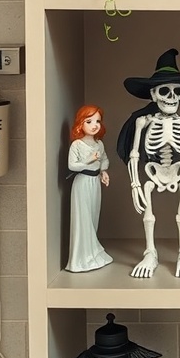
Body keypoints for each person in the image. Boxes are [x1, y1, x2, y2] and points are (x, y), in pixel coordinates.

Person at [65, 105, 113, 273]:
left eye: (98, 121)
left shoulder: (99, 144)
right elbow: (72, 165)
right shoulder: (77, 145)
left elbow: (104, 160)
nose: (94, 125)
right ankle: (81, 258)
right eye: (89, 121)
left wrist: (103, 171)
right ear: (81, 123)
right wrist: (88, 160)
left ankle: (93, 252)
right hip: (82, 183)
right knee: (82, 218)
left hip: (95, 183)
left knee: (93, 216)